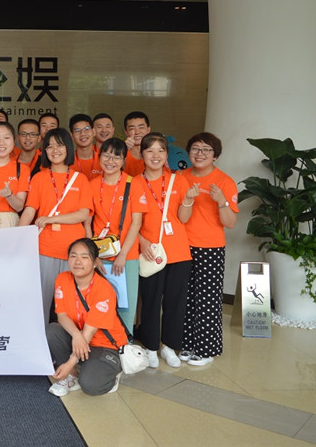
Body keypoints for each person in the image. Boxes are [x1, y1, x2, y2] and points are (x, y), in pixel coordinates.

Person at [18, 128, 93, 332]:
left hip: (73, 252)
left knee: (72, 303)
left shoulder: (80, 179)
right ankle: (39, 341)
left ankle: (71, 343)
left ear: (68, 148)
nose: (54, 150)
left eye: (59, 145)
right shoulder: (39, 178)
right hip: (44, 248)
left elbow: (83, 214)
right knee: (40, 301)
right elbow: (29, 210)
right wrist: (16, 238)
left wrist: (52, 219)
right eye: (49, 146)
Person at [135, 132, 195, 369]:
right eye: (150, 150)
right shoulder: (134, 183)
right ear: (142, 154)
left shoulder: (178, 181)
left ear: (167, 155)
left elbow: (183, 218)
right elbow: (129, 221)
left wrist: (188, 200)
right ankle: (150, 347)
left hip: (178, 252)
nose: (155, 155)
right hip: (150, 251)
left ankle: (169, 346)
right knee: (150, 301)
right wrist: (141, 241)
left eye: (160, 151)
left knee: (175, 302)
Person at [180, 132, 238, 366]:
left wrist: (222, 200)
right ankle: (186, 343)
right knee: (184, 298)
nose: (200, 153)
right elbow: (178, 215)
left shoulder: (224, 181)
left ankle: (206, 349)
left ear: (215, 155)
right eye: (195, 148)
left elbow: (230, 223)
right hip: (182, 246)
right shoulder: (181, 177)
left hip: (210, 248)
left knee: (207, 300)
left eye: (206, 150)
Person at [47, 238, 127, 397]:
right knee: (53, 330)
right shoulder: (62, 279)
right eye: (73, 256)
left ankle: (112, 374)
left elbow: (89, 333)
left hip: (105, 345)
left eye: (84, 257)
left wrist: (69, 363)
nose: (77, 262)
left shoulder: (103, 289)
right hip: (80, 339)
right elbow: (61, 315)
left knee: (90, 385)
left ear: (95, 262)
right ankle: (72, 376)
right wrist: (76, 335)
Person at [90, 138, 147, 331]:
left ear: (124, 160)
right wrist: (93, 255)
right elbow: (87, 222)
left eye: (116, 157)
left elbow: (136, 223)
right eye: (106, 155)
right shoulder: (92, 184)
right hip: (99, 254)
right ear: (99, 157)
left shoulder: (133, 184)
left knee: (125, 304)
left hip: (126, 255)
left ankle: (124, 342)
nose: (110, 161)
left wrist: (122, 255)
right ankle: (99, 343)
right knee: (98, 303)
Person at [69, 113, 102, 180]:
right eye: (77, 131)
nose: (83, 134)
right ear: (72, 136)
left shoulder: (104, 158)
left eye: (86, 129)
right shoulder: (66, 161)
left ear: (93, 132)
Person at [123, 111, 151, 176]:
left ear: (148, 129)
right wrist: (123, 150)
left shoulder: (157, 152)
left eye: (141, 127)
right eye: (132, 128)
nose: (137, 132)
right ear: (126, 132)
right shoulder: (120, 152)